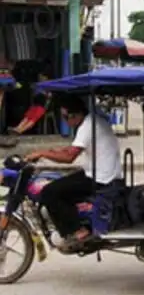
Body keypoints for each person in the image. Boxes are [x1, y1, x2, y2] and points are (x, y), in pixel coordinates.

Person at [25, 95, 123, 252]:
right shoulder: (92, 121)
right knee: (62, 183)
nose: (64, 121)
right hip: (101, 173)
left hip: (101, 178)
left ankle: (78, 231)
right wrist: (49, 152)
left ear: (74, 115)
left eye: (65, 117)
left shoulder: (87, 126)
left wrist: (43, 153)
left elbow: (69, 157)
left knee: (50, 191)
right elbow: (71, 149)